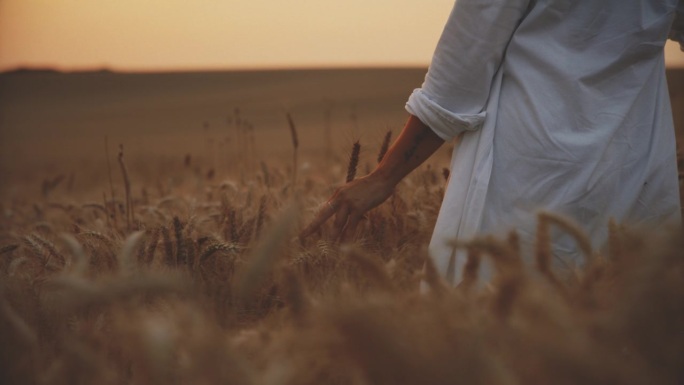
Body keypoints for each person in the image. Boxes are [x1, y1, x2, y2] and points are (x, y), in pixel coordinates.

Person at [301, 0, 684, 284]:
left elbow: (454, 84)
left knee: (501, 331)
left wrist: (383, 176)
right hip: (634, 168)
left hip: (525, 176)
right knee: (618, 338)